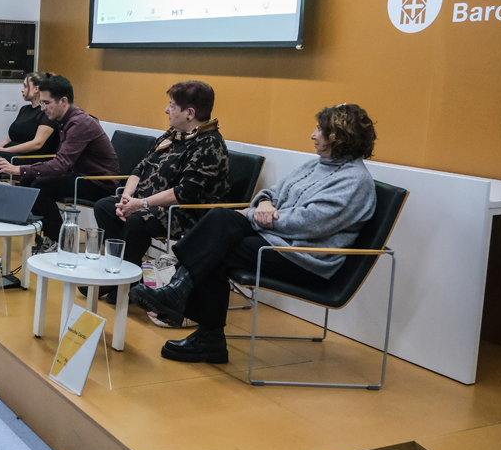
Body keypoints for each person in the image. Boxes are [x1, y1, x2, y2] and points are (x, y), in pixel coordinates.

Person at [132, 104, 379, 365]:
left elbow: (309, 223)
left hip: (304, 259)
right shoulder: (316, 165)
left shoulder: (355, 181)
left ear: (339, 136)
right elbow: (271, 193)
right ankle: (182, 302)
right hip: (277, 240)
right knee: (220, 218)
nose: (313, 135)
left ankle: (198, 324)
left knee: (217, 249)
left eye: (320, 130)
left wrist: (252, 214)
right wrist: (264, 204)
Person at [90, 81, 229, 304]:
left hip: (185, 212)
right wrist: (127, 197)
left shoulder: (209, 144)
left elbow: (185, 192)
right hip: (148, 203)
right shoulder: (173, 134)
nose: (167, 110)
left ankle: (124, 281)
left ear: (189, 113)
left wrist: (141, 203)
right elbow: (140, 168)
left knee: (137, 221)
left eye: (172, 106)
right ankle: (120, 273)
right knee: (105, 207)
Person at [0, 75, 119, 251]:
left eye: (46, 103)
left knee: (40, 186)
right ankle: (48, 234)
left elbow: (60, 164)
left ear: (63, 101)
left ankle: (58, 241)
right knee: (28, 180)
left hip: (99, 182)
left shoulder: (79, 123)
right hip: (80, 175)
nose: (42, 108)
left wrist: (18, 168)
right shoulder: (66, 120)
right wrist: (24, 171)